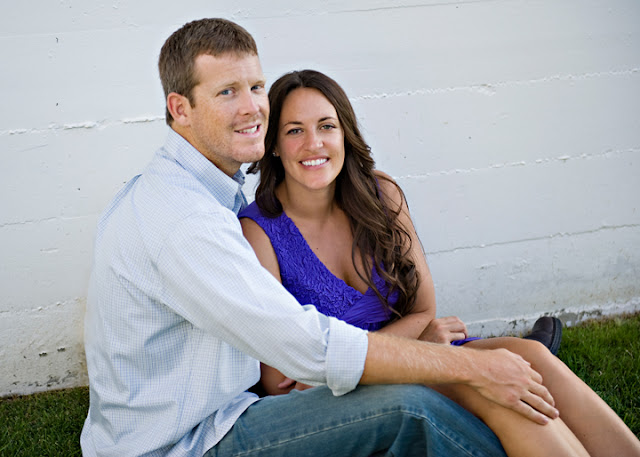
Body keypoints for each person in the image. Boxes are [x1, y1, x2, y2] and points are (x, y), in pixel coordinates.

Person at [81, 18, 565, 457]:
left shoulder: (199, 190)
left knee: (518, 366)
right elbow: (306, 351)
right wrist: (467, 367)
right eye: (227, 92)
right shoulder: (184, 218)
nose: (252, 108)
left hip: (222, 413)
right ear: (180, 109)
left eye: (255, 87)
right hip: (191, 442)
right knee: (411, 407)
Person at [239, 69, 640, 457]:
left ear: (345, 133)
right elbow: (279, 381)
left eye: (327, 126)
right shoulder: (260, 232)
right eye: (295, 130)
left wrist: (419, 347)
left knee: (530, 358)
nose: (314, 143)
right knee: (494, 391)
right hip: (350, 391)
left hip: (415, 355)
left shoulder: (380, 194)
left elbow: (423, 310)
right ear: (273, 144)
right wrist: (417, 346)